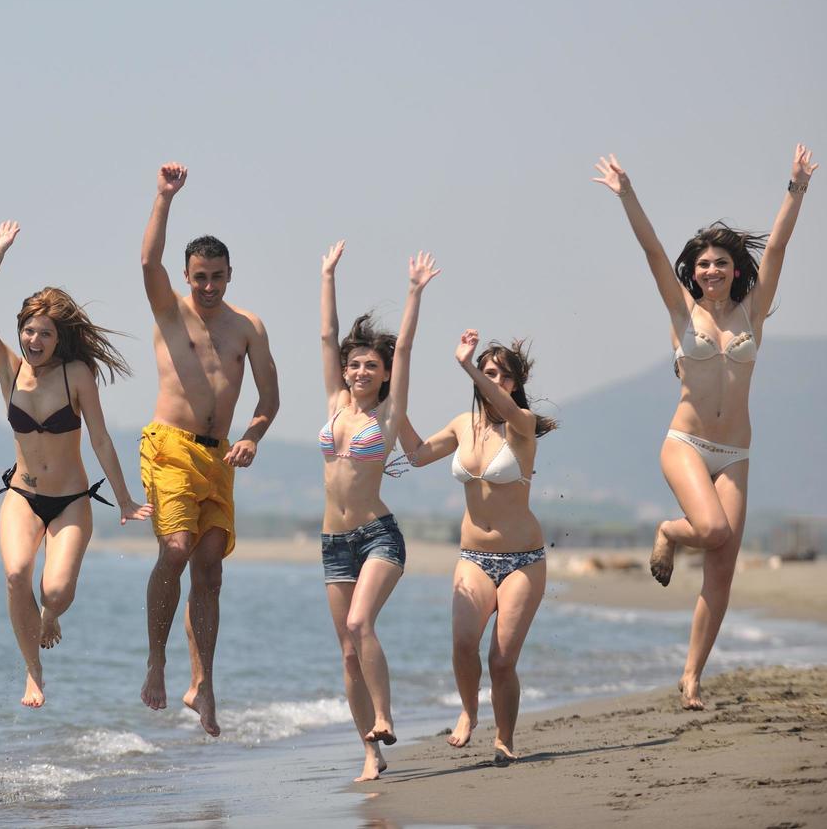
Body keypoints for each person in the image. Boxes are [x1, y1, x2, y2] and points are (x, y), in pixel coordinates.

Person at [592, 146, 815, 710]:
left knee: (723, 567)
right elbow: (651, 249)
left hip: (736, 451)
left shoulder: (752, 313)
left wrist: (796, 188)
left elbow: (781, 244)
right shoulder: (680, 313)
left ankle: (691, 676)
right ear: (691, 273)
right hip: (686, 444)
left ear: (736, 270)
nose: (710, 271)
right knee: (711, 531)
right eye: (702, 264)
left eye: (720, 263)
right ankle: (669, 532)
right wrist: (627, 194)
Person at [0, 220, 152, 709]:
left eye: (43, 332)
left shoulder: (77, 374)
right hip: (23, 495)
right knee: (15, 575)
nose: (33, 339)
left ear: (58, 337)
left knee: (57, 590)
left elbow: (101, 439)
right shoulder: (8, 369)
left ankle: (50, 617)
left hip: (70, 501)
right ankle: (33, 672)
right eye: (27, 329)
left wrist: (126, 498)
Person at [137, 162, 280, 738]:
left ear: (229, 274)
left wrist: (251, 436)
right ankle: (157, 660)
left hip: (219, 455)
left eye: (218, 276)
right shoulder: (170, 309)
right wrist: (163, 198)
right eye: (200, 276)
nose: (209, 286)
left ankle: (204, 683)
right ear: (188, 275)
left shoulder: (248, 326)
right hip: (169, 447)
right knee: (175, 548)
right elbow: (148, 262)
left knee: (210, 570)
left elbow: (270, 397)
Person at [400, 332, 558, 765]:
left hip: (523, 560)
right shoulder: (461, 425)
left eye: (504, 375)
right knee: (463, 644)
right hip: (474, 557)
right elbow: (415, 454)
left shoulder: (521, 423)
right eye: (489, 372)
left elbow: (505, 407)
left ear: (516, 381)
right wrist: (393, 406)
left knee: (502, 660)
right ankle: (469, 713)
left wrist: (469, 367)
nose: (496, 380)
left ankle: (505, 738)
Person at [318, 240, 439, 781]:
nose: (361, 371)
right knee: (347, 651)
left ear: (384, 374)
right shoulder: (334, 403)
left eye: (371, 365)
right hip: (332, 542)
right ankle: (370, 751)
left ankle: (385, 716)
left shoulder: (390, 415)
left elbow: (407, 349)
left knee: (361, 621)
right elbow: (326, 335)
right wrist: (327, 278)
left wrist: (413, 292)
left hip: (377, 537)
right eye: (354, 364)